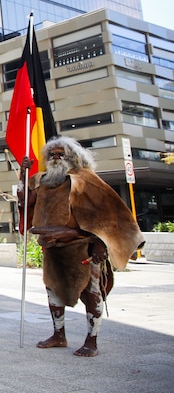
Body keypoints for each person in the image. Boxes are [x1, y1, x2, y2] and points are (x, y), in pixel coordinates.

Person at [19, 135, 144, 357]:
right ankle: (59, 335)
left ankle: (91, 340)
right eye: (52, 155)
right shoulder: (43, 181)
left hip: (84, 248)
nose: (56, 158)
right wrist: (23, 174)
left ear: (73, 157)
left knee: (91, 293)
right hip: (53, 250)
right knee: (53, 291)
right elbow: (25, 201)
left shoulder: (87, 180)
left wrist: (99, 243)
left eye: (61, 154)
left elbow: (106, 216)